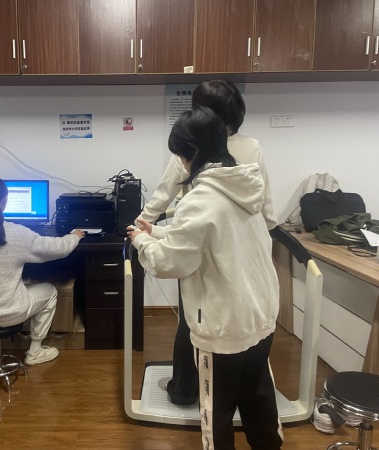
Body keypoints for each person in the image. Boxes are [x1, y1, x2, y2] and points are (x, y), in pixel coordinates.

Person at [129, 107, 282, 449]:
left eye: (181, 155)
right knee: (257, 396)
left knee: (217, 410)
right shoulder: (244, 185)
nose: (182, 164)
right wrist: (157, 231)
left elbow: (170, 263)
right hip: (260, 314)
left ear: (193, 152)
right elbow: (214, 239)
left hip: (224, 325)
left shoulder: (200, 198)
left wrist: (141, 241)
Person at [0, 176, 85, 368]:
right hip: (11, 313)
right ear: (5, 201)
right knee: (51, 291)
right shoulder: (19, 233)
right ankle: (35, 351)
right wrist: (74, 236)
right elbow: (58, 248)